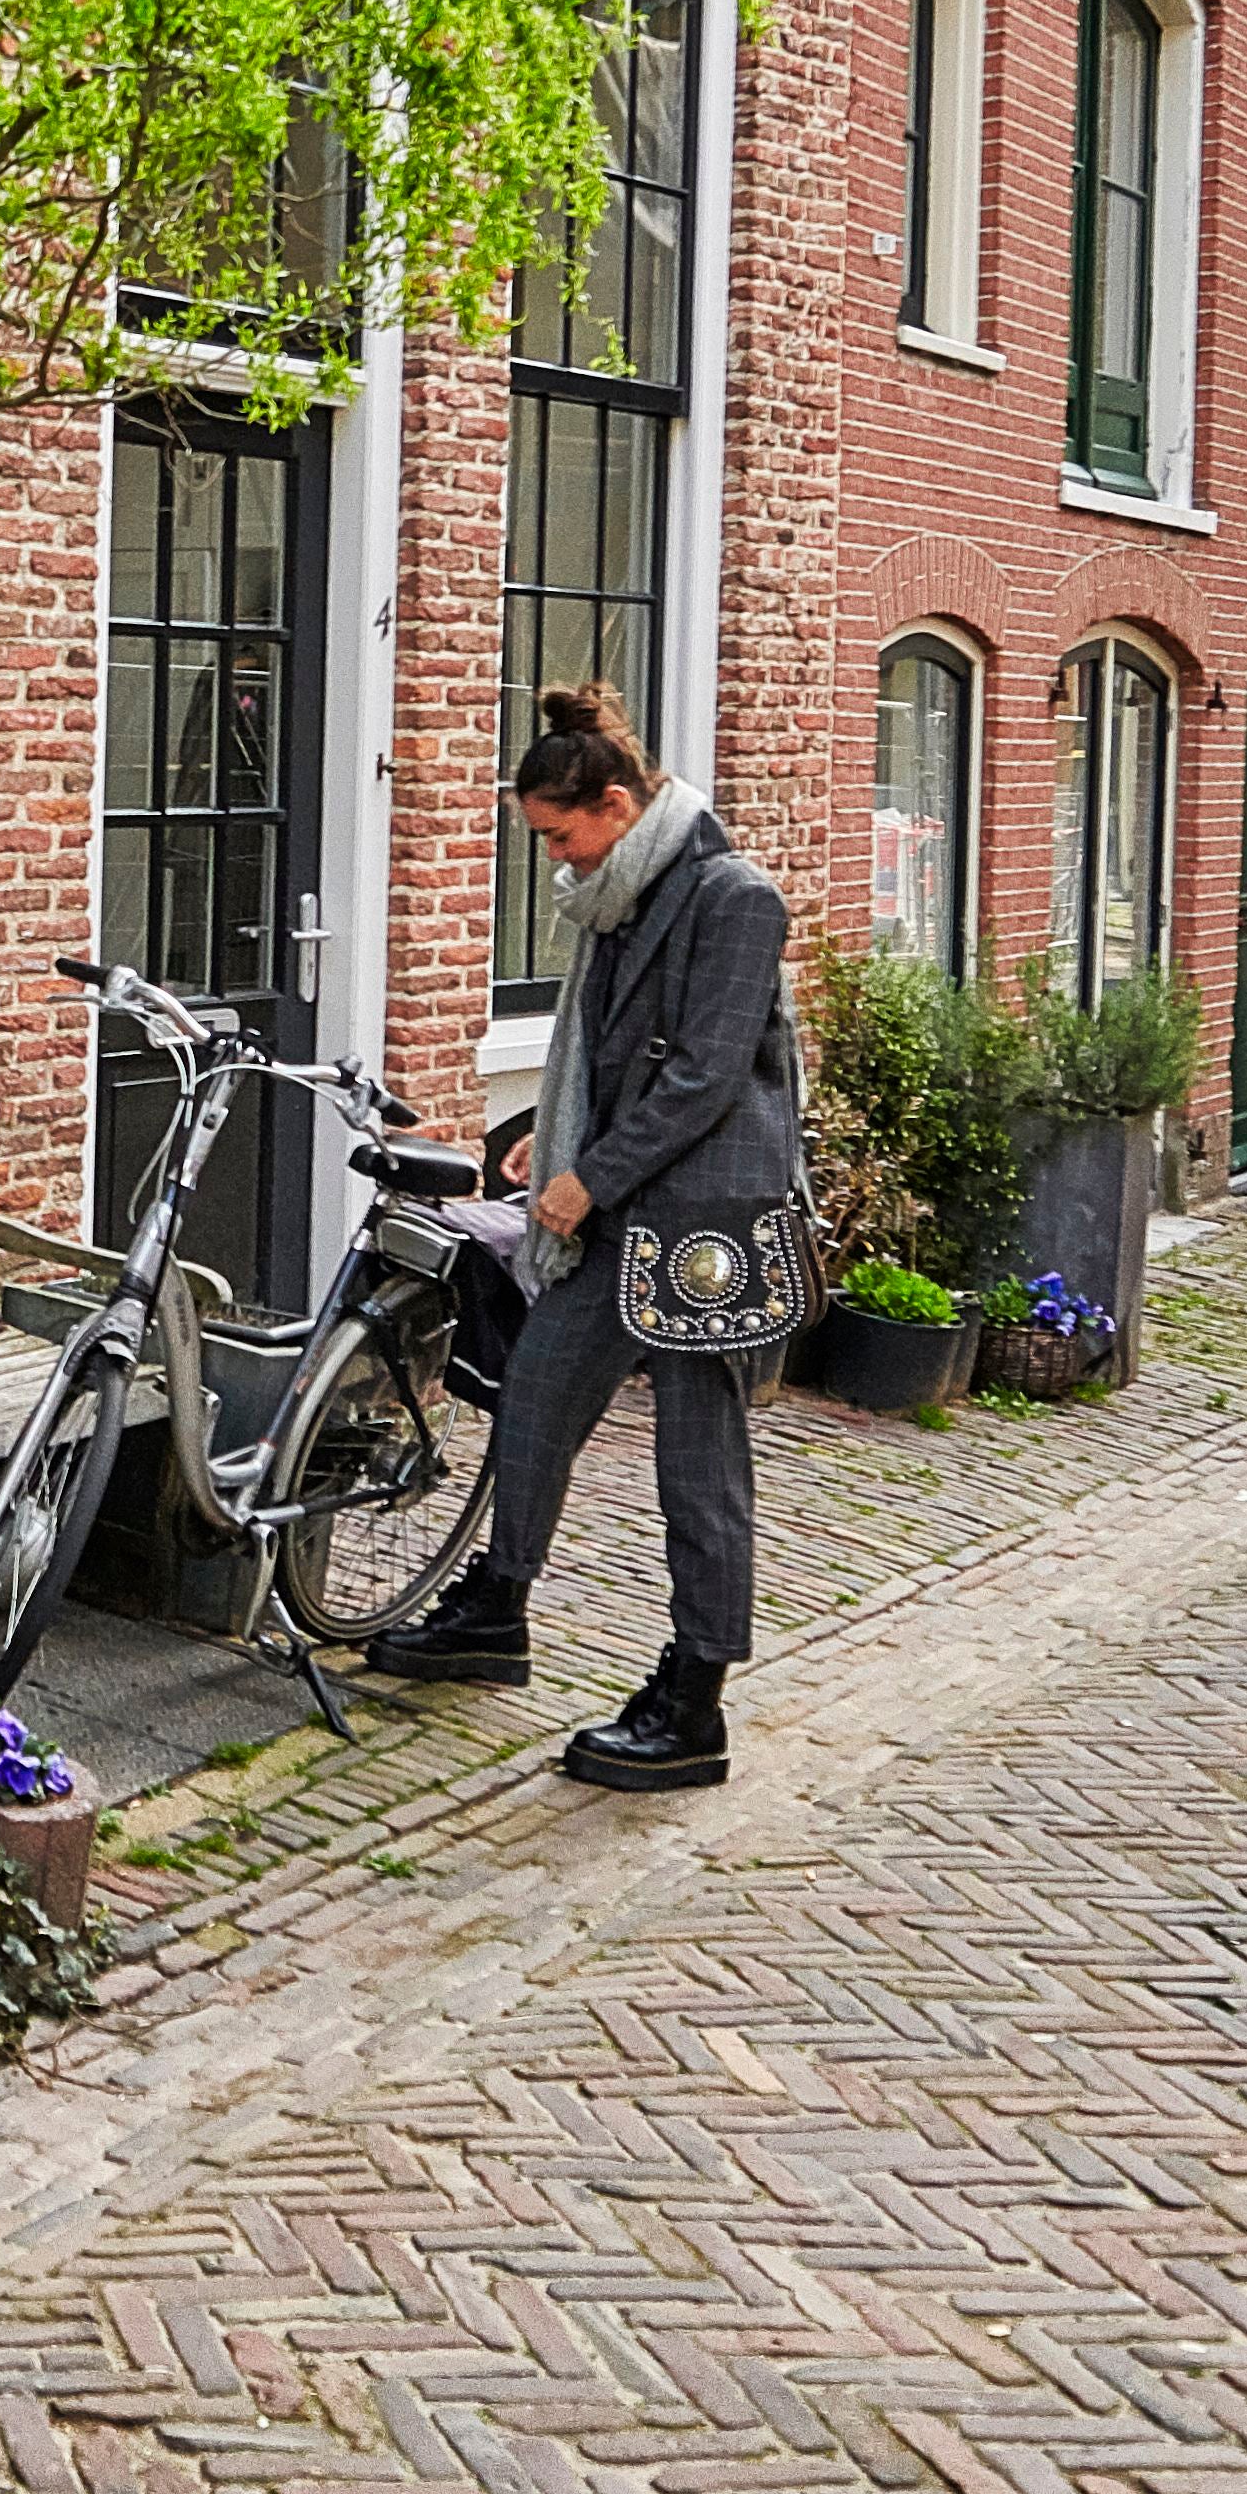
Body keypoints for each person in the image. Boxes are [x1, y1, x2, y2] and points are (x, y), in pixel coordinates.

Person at [366, 686, 798, 1792]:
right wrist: (542, 1145)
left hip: (707, 1223)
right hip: (622, 1205)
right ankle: (497, 1610)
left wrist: (585, 1176)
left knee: (698, 1463)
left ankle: (694, 1696)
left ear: (615, 803)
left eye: (560, 834)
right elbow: (613, 1058)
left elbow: (704, 1075)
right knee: (539, 1391)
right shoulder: (618, 893)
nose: (552, 860)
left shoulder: (733, 896)